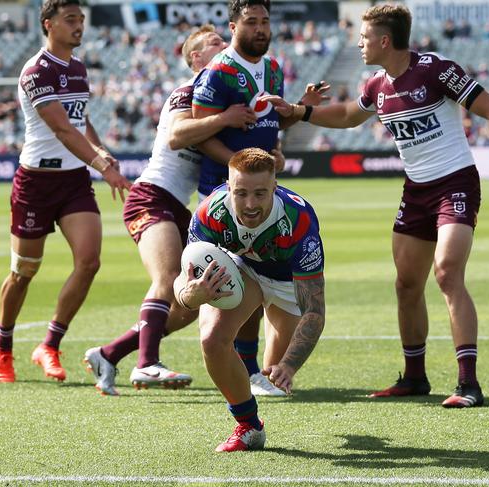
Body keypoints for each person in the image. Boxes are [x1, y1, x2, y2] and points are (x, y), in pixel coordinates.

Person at [262, 3, 489, 408]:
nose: (360, 44)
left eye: (365, 37)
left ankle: (468, 383)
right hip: (416, 191)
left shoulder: (435, 70)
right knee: (406, 285)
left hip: (455, 183)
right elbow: (351, 115)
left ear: (385, 40)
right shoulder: (376, 84)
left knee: (447, 273)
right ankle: (415, 377)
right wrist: (300, 111)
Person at [83, 25, 258, 395]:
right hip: (151, 196)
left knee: (191, 298)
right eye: (215, 44)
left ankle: (109, 353)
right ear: (195, 58)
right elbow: (178, 135)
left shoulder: (214, 101)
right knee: (166, 279)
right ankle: (146, 365)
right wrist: (227, 118)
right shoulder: (189, 90)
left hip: (179, 206)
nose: (225, 47)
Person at [0, 0, 132, 383]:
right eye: (71, 20)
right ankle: (3, 346)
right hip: (36, 182)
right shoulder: (36, 71)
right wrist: (103, 167)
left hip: (73, 182)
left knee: (89, 262)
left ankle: (49, 344)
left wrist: (101, 151)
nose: (79, 26)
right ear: (48, 24)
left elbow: (79, 121)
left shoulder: (79, 68)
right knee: (24, 271)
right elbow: (61, 130)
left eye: (81, 20)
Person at [174, 148, 326, 451]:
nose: (250, 204)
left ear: (275, 187)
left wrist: (291, 366)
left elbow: (314, 310)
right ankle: (249, 426)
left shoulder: (299, 221)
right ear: (229, 187)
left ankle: (275, 343)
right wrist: (192, 295)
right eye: (241, 193)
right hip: (245, 268)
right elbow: (182, 282)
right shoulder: (210, 211)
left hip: (288, 283)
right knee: (212, 339)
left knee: (274, 371)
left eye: (260, 193)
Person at [190, 0, 303, 397]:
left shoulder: (272, 68)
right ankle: (139, 348)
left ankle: (253, 368)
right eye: (251, 21)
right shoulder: (218, 71)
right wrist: (241, 167)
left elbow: (269, 122)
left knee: (256, 283)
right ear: (234, 25)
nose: (259, 28)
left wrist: (286, 128)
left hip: (262, 193)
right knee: (224, 287)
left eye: (265, 21)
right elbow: (198, 132)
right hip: (222, 195)